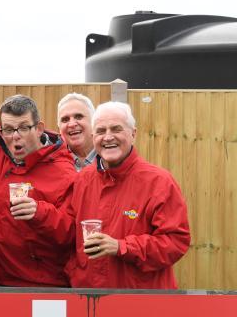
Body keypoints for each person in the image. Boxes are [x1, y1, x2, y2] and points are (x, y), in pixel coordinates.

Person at [65, 101, 190, 288]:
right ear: (93, 137)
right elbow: (66, 233)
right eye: (100, 131)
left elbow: (175, 241)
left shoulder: (159, 182)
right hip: (89, 299)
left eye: (116, 129)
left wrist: (121, 247)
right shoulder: (83, 180)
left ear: (133, 134)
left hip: (141, 300)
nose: (108, 137)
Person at [0, 94, 76, 287]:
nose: (15, 136)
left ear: (39, 129)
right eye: (9, 129)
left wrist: (40, 212)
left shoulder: (64, 173)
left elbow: (72, 232)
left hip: (43, 285)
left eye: (24, 128)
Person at [57, 93, 96, 171]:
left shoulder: (112, 157)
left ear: (94, 121)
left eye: (78, 117)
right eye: (65, 119)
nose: (72, 124)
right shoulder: (51, 164)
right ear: (59, 128)